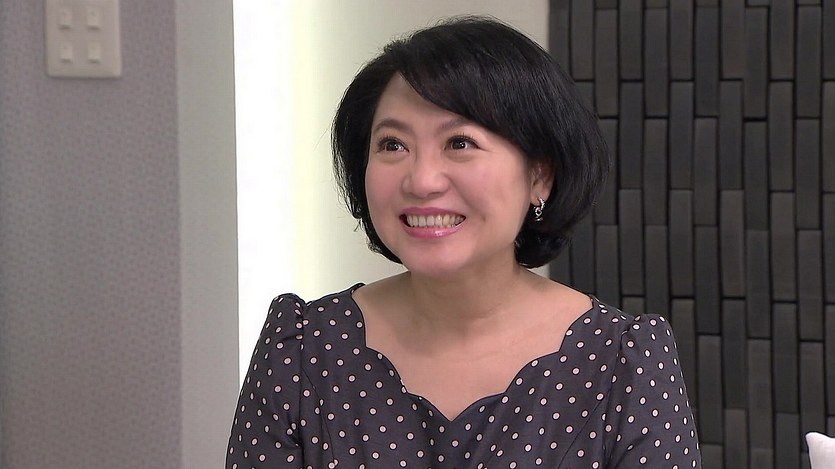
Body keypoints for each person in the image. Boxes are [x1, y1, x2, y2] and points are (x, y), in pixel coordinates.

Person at [227, 16, 701, 469]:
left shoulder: (623, 363)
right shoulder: (302, 350)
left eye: (460, 143)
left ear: (540, 175)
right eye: (393, 145)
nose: (422, 180)